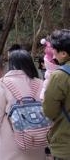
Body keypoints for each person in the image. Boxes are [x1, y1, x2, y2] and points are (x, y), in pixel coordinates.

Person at [0, 50, 46, 160]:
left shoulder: (3, 83)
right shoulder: (40, 83)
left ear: (11, 65)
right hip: (36, 140)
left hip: (10, 141)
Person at [43, 29, 70, 160]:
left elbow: (49, 111)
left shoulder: (60, 76)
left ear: (64, 53)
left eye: (55, 49)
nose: (52, 52)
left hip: (66, 143)